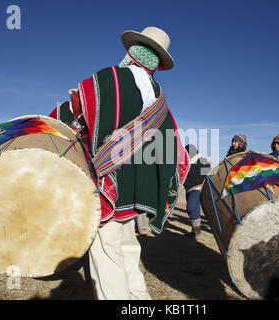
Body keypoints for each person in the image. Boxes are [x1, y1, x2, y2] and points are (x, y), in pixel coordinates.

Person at [48, 26, 189, 300]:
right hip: (140, 194)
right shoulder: (160, 99)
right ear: (157, 62)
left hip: (110, 184)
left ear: (133, 51)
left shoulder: (109, 78)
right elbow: (174, 152)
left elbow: (73, 113)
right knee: (128, 248)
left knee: (106, 252)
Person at [183, 144, 211, 238]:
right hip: (188, 189)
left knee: (190, 207)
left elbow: (209, 171)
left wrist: (201, 181)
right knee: (193, 210)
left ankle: (196, 230)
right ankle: (196, 231)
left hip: (198, 188)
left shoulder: (202, 160)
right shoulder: (185, 163)